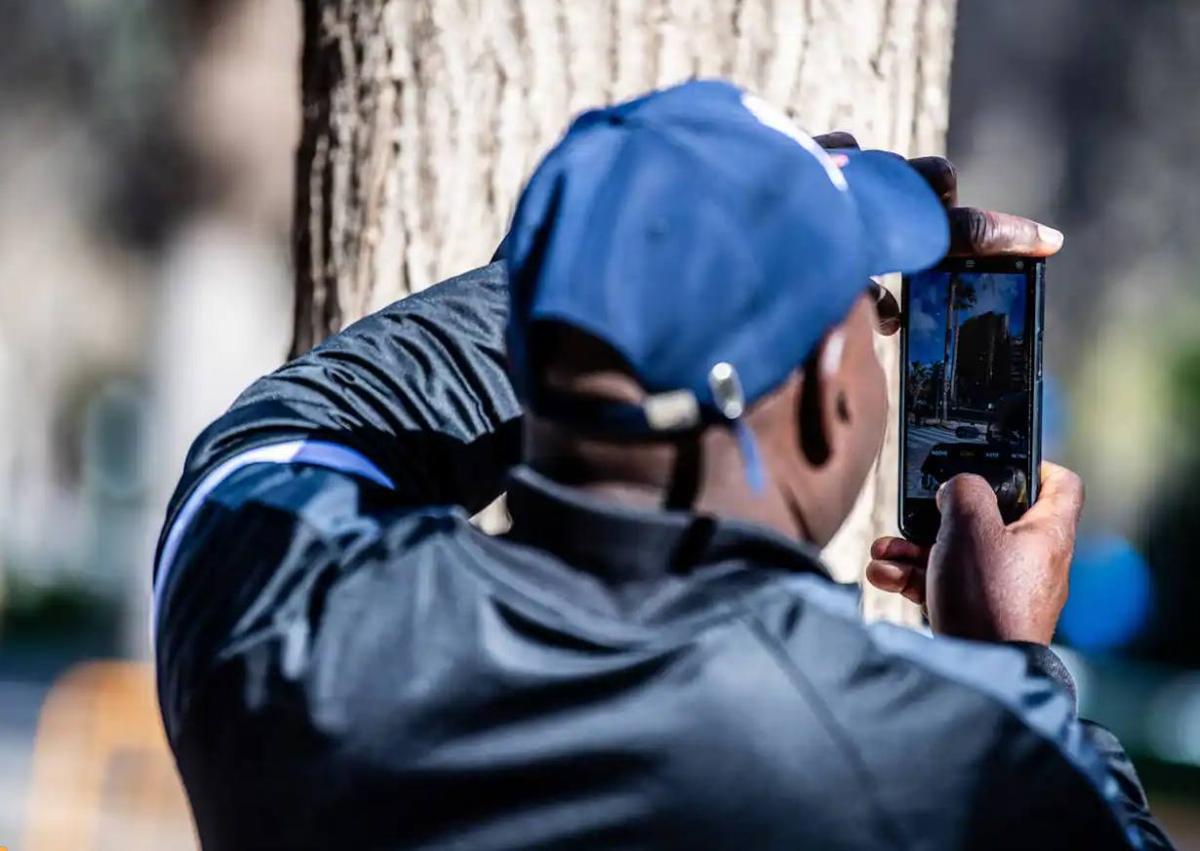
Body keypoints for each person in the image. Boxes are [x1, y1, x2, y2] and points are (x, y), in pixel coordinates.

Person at [153, 81, 1173, 849]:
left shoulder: (284, 629)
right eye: (867, 320)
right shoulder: (945, 763)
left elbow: (290, 431)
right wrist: (1014, 670)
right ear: (829, 388)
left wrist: (585, 280)